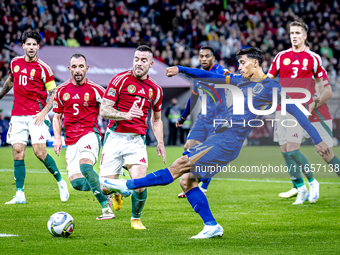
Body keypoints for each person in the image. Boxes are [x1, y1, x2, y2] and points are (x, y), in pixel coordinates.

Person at [100, 47, 330, 239]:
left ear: (257, 63)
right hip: (222, 140)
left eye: (243, 62)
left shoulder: (273, 88)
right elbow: (210, 77)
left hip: (227, 141)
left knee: (180, 164)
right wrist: (182, 69)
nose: (239, 67)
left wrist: (318, 140)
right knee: (187, 182)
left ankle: (126, 186)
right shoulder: (240, 81)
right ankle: (211, 226)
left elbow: (298, 113)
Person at [99, 45, 166, 230]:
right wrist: (125, 115)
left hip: (136, 141)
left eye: (143, 60)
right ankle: (117, 191)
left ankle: (135, 219)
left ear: (151, 64)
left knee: (140, 185)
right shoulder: (119, 80)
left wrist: (160, 142)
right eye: (136, 59)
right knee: (104, 187)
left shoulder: (156, 90)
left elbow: (156, 119)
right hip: (114, 137)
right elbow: (104, 110)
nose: (139, 63)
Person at [0, 29, 69, 204]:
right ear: (23, 46)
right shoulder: (15, 62)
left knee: (39, 152)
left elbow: (54, 93)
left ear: (38, 47)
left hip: (36, 115)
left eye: (34, 44)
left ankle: (61, 182)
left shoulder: (44, 68)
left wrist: (43, 112)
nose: (31, 47)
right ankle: (20, 194)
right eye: (28, 44)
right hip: (17, 115)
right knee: (17, 152)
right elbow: (10, 80)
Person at [267, 21, 326, 204]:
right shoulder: (280, 56)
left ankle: (312, 181)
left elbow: (320, 80)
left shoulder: (313, 58)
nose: (294, 36)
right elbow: (269, 79)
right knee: (284, 150)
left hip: (299, 109)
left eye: (298, 33)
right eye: (292, 33)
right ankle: (300, 189)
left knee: (293, 150)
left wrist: (317, 96)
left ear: (305, 36)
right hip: (281, 108)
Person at [53, 53, 115, 220]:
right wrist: (57, 138)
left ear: (87, 68)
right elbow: (57, 116)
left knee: (86, 167)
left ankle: (106, 209)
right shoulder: (61, 91)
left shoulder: (95, 89)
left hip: (89, 134)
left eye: (81, 66)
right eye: (74, 67)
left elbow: (111, 109)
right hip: (71, 141)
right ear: (69, 69)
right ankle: (110, 186)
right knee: (77, 184)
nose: (78, 70)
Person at [176, 45, 230, 198]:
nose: (204, 59)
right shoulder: (198, 75)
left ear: (213, 58)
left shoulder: (221, 72)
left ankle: (203, 186)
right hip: (203, 118)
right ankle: (191, 183)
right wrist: (183, 116)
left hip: (218, 119)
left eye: (207, 56)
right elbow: (193, 97)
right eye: (201, 56)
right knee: (189, 147)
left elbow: (233, 81)